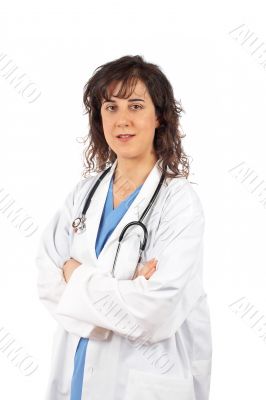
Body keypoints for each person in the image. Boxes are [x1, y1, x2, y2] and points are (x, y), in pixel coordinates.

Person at [35, 54, 212, 400]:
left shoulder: (179, 204)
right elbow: (46, 281)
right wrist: (124, 289)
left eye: (135, 106)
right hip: (76, 378)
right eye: (110, 108)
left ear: (159, 116)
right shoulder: (83, 194)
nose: (122, 121)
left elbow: (154, 313)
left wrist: (76, 276)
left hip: (144, 383)